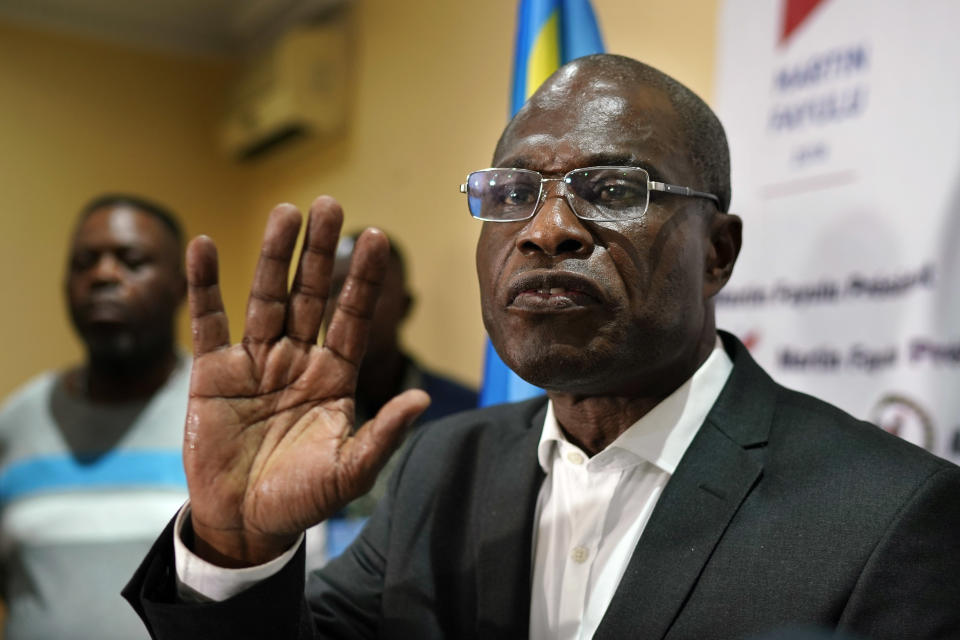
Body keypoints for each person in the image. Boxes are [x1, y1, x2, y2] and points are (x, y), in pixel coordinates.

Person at [123, 55, 960, 639]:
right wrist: (235, 548)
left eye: (611, 190)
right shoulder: (438, 469)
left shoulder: (890, 518)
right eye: (513, 193)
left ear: (718, 253)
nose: (548, 229)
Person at [0, 194, 190, 639]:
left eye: (132, 260)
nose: (103, 275)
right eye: (85, 262)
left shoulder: (221, 414)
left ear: (181, 288)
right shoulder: (16, 421)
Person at [313, 231, 477, 560]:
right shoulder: (299, 415)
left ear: (405, 307)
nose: (349, 305)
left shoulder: (467, 415)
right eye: (334, 291)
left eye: (370, 288)